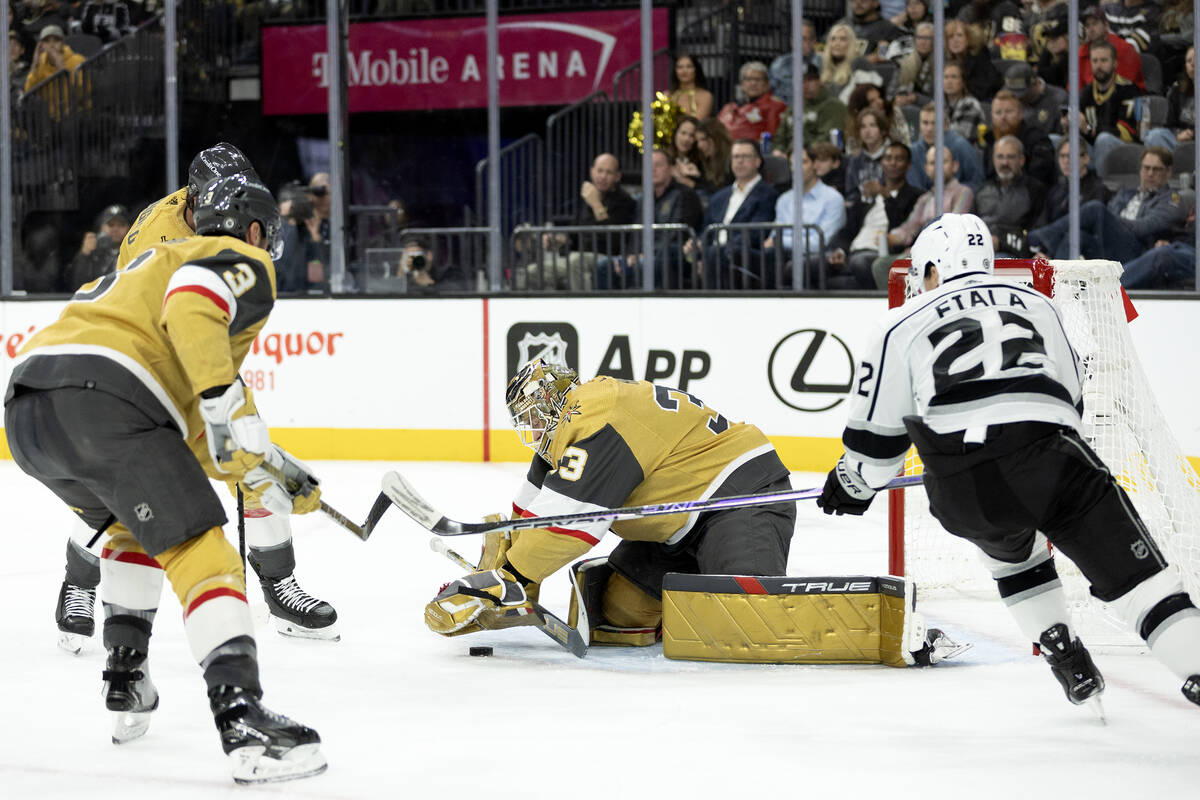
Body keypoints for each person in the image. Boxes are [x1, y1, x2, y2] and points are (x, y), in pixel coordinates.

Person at [5, 173, 328, 783]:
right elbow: (196, 303)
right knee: (202, 547)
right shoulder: (235, 259)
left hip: (28, 410)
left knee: (135, 524)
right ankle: (243, 719)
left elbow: (204, 446)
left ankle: (125, 679)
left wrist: (271, 471)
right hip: (107, 398)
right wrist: (218, 397)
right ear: (255, 230)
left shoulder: (146, 267)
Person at [818, 211, 1200, 716]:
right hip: (1053, 459)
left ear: (932, 268)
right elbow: (1072, 399)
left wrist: (851, 484)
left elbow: (876, 449)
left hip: (962, 487)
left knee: (1009, 549)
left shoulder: (897, 323)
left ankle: (1061, 648)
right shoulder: (1040, 304)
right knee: (1145, 588)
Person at [53, 143, 340, 655]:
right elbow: (174, 324)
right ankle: (79, 581)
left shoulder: (221, 209)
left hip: (193, 354)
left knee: (255, 461)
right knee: (119, 487)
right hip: (146, 364)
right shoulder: (162, 235)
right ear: (194, 200)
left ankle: (279, 587)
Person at [424, 358, 796, 650]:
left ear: (555, 402)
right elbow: (533, 512)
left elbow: (572, 522)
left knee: (749, 625)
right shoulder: (570, 427)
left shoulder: (597, 417)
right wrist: (505, 564)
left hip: (739, 498)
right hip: (673, 527)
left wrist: (512, 578)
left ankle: (716, 600)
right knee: (619, 616)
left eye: (534, 416)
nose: (532, 427)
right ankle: (697, 597)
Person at [1030, 147, 1184, 264]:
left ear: (1168, 172)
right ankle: (1057, 284)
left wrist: (1110, 221)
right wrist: (1108, 220)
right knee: (1077, 236)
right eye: (1146, 168)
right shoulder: (1126, 193)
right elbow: (1109, 213)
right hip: (1109, 246)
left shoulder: (1172, 199)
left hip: (1138, 252)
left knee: (1096, 209)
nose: (1150, 174)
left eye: (1156, 169)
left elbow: (1145, 227)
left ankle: (1036, 239)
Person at [523, 152, 636, 290]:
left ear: (617, 176)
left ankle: (585, 308)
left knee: (575, 261)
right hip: (577, 256)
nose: (603, 176)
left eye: (609, 172)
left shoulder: (625, 201)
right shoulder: (587, 199)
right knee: (533, 272)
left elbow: (613, 239)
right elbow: (575, 234)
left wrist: (596, 205)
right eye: (599, 171)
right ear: (591, 172)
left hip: (606, 258)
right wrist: (557, 240)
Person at [871, 145, 975, 288]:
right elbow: (910, 227)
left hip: (948, 256)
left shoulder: (963, 192)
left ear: (955, 166)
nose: (937, 167)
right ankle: (899, 309)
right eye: (933, 163)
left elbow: (954, 227)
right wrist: (891, 237)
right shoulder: (925, 199)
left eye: (943, 161)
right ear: (926, 169)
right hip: (919, 254)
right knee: (881, 266)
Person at [596, 149, 702, 290]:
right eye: (649, 165)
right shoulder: (643, 199)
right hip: (641, 258)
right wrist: (628, 256)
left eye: (658, 165)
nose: (652, 169)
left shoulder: (685, 195)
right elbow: (635, 234)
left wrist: (643, 255)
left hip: (672, 260)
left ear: (671, 169)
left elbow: (678, 236)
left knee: (645, 264)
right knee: (605, 266)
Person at [686, 139, 777, 289]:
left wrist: (720, 249)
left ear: (757, 162)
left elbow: (756, 232)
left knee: (716, 253)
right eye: (735, 157)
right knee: (672, 253)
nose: (739, 161)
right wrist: (698, 244)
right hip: (714, 253)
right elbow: (706, 229)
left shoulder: (768, 195)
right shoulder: (719, 197)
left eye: (745, 157)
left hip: (745, 255)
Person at [828, 142, 921, 289]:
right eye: (888, 158)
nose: (893, 163)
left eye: (899, 159)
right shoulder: (868, 195)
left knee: (859, 263)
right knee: (813, 265)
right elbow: (848, 229)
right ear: (882, 163)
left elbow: (901, 227)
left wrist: (886, 196)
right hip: (853, 252)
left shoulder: (915, 196)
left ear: (908, 165)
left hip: (880, 254)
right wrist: (839, 250)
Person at [763, 145, 847, 288]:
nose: (796, 168)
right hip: (781, 256)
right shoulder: (784, 199)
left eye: (802, 162)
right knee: (743, 256)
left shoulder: (833, 198)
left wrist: (779, 241)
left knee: (776, 259)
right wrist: (776, 241)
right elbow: (773, 236)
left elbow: (818, 243)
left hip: (818, 258)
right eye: (792, 164)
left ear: (815, 164)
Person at [974, 136, 1046, 257]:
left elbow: (1037, 234)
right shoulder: (983, 189)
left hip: (1012, 252)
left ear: (1022, 160)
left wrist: (1001, 242)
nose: (1004, 162)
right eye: (1000, 157)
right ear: (993, 159)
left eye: (1010, 157)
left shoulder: (1034, 190)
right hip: (980, 249)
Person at [982, 90, 1057, 188]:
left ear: (1020, 113)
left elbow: (1040, 177)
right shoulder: (990, 140)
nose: (1003, 117)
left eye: (1008, 111)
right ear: (991, 116)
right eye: (998, 112)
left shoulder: (1037, 139)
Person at [771, 63, 848, 158]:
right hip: (790, 158)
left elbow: (826, 139)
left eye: (810, 80)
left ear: (819, 81)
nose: (805, 85)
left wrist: (802, 154)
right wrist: (778, 151)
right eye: (801, 81)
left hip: (818, 159)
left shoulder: (833, 105)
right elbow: (780, 137)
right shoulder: (794, 108)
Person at [908, 102, 985, 192]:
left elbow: (978, 183)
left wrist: (952, 193)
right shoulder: (912, 152)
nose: (929, 129)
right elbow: (913, 187)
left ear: (946, 126)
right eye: (925, 123)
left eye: (935, 123)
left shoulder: (962, 147)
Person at [1035, 138, 1111, 228]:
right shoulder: (1055, 192)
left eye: (1071, 156)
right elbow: (1041, 225)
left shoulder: (1099, 189)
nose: (1066, 161)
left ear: (1086, 159)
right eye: (1062, 156)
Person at [22, 24, 84, 117]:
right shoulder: (41, 62)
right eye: (47, 41)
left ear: (63, 43)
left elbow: (81, 94)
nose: (51, 45)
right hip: (49, 118)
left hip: (74, 114)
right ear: (41, 45)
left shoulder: (77, 60)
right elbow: (29, 90)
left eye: (56, 40)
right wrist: (34, 65)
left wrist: (62, 68)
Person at [716, 61, 787, 143]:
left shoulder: (775, 106)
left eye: (758, 79)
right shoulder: (729, 107)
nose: (753, 83)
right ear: (742, 84)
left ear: (767, 84)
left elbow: (774, 137)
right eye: (749, 79)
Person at [64, 204, 130, 291]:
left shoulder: (134, 252)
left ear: (130, 228)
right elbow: (75, 286)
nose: (115, 229)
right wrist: (84, 255)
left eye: (121, 225)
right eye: (110, 224)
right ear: (101, 227)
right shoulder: (93, 254)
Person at [1078, 5, 1144, 90]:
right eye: (1087, 25)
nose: (1091, 29)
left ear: (1106, 25)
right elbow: (1075, 89)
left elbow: (1125, 86)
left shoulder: (1124, 49)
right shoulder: (1082, 53)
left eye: (1095, 23)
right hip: (1091, 99)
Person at [1144, 46, 1195, 153]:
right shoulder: (1177, 91)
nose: (1193, 64)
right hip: (1180, 140)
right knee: (1155, 135)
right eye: (1189, 61)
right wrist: (1179, 134)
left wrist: (1192, 134)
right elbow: (1169, 125)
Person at [945, 18, 1001, 101]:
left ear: (968, 38)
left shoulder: (980, 60)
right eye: (951, 37)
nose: (955, 40)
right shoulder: (948, 61)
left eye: (959, 35)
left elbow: (982, 92)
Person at [1005, 62, 1067, 135]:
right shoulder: (1010, 98)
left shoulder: (1059, 99)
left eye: (1022, 94)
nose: (1018, 98)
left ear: (1035, 84)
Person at [843, 108, 890, 199]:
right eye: (863, 126)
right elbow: (850, 192)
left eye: (873, 125)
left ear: (883, 130)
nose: (867, 131)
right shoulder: (855, 160)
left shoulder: (893, 156)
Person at [893, 22, 935, 107]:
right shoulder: (904, 61)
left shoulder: (940, 63)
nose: (923, 42)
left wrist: (916, 98)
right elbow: (891, 92)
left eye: (927, 38)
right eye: (920, 37)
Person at [943, 61, 986, 143]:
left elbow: (960, 137)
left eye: (954, 77)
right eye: (946, 77)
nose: (949, 81)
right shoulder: (936, 104)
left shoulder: (971, 105)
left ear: (963, 82)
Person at [820, 23, 861, 99]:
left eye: (843, 39)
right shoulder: (821, 66)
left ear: (851, 44)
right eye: (833, 39)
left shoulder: (857, 65)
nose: (837, 43)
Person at [668, 53, 713, 120]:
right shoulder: (668, 96)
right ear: (675, 71)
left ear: (695, 70)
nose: (684, 71)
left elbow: (697, 121)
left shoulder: (705, 96)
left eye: (689, 66)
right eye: (680, 67)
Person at [694, 117, 734, 194]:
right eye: (697, 141)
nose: (699, 145)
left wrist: (693, 184)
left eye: (703, 139)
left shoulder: (733, 159)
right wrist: (697, 177)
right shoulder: (708, 160)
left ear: (716, 137)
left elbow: (723, 193)